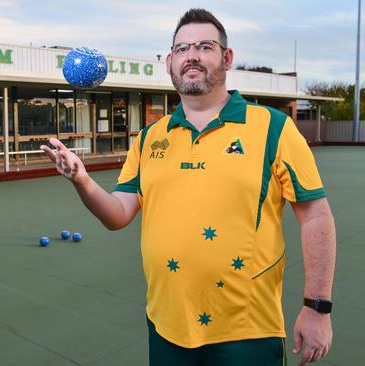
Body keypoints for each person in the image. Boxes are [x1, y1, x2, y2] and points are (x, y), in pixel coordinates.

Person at [41, 8, 336, 366]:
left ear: (226, 58)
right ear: (169, 62)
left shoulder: (273, 128)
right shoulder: (150, 138)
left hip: (248, 331)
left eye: (204, 46)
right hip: (166, 326)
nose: (191, 55)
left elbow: (316, 216)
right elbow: (118, 214)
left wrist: (317, 307)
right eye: (181, 49)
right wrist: (82, 180)